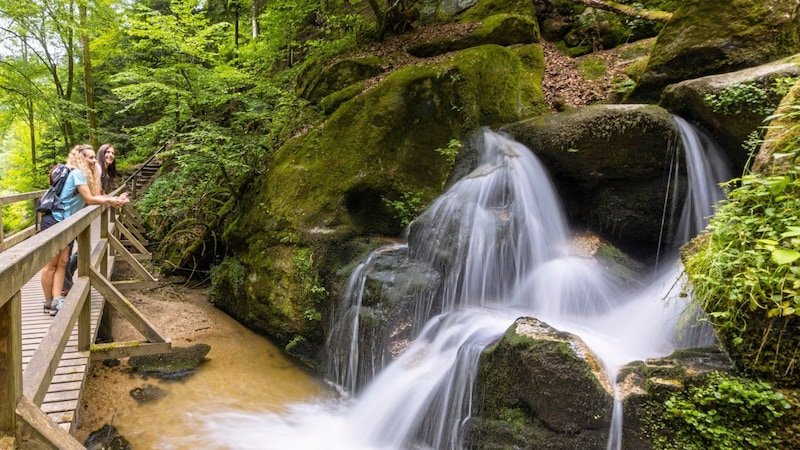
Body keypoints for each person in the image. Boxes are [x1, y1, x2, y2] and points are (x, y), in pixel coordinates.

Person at [41, 144, 130, 316]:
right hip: (54, 220)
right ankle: (48, 302)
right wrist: (111, 201)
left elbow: (98, 195)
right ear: (81, 159)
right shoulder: (77, 174)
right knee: (51, 264)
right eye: (90, 157)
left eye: (94, 157)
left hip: (68, 223)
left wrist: (116, 198)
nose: (94, 160)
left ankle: (56, 299)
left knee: (63, 262)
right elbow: (89, 199)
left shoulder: (87, 175)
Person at [61, 143, 120, 296]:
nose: (110, 155)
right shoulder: (94, 169)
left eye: (112, 153)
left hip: (77, 214)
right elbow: (92, 195)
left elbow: (97, 192)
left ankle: (66, 283)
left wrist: (111, 198)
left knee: (79, 251)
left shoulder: (101, 170)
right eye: (107, 152)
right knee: (72, 253)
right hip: (69, 215)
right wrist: (110, 200)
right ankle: (64, 286)